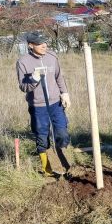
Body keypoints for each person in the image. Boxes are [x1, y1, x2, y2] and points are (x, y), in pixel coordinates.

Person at [15, 32, 70, 177]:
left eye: (45, 42)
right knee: (42, 136)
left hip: (55, 103)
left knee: (62, 132)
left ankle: (64, 163)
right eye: (40, 44)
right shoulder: (23, 62)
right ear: (31, 45)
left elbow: (59, 76)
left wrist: (65, 93)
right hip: (37, 106)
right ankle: (47, 169)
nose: (44, 46)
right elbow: (23, 87)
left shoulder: (52, 57)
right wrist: (33, 79)